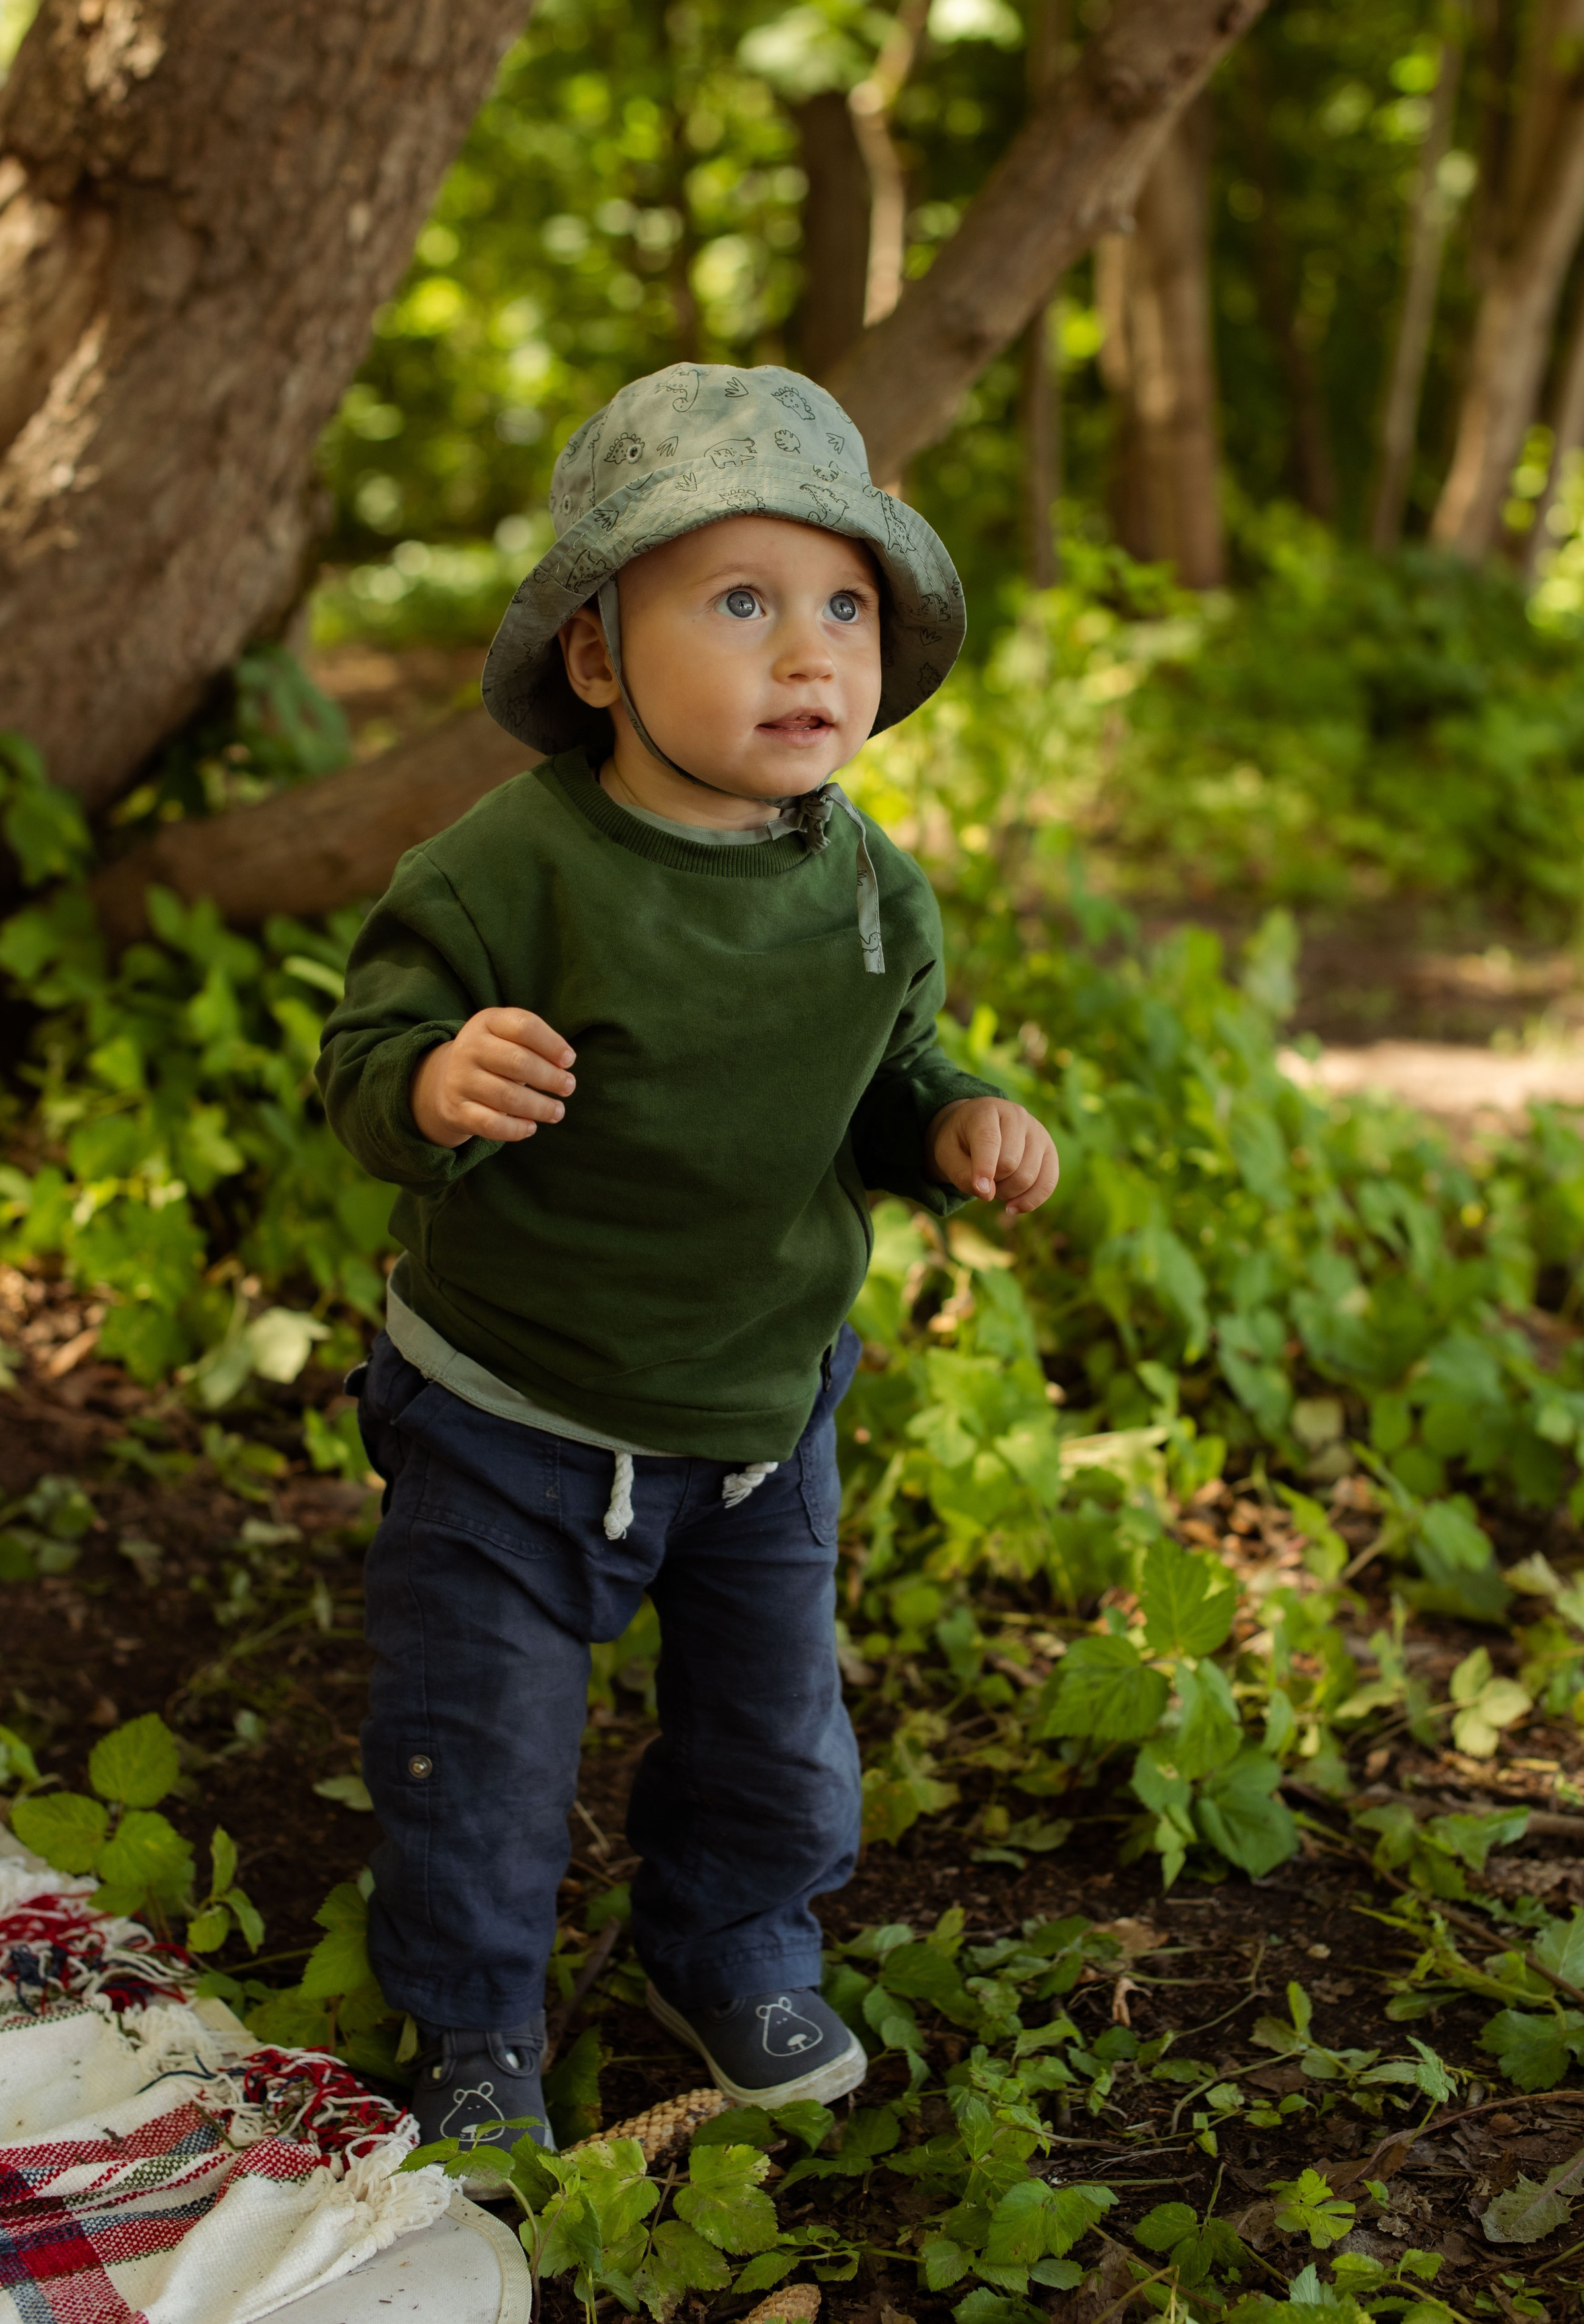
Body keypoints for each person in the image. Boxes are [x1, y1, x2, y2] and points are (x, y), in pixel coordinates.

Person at [317, 363, 1060, 2169]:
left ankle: (728, 1938)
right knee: (473, 1753)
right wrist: (433, 1076)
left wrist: (954, 1119)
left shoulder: (870, 885)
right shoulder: (512, 868)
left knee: (776, 1733)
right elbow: (362, 1067)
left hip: (755, 1403)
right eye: (740, 601)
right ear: (597, 657)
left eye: (844, 605)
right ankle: (477, 2017)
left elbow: (891, 1069)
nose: (809, 652)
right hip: (510, 1407)